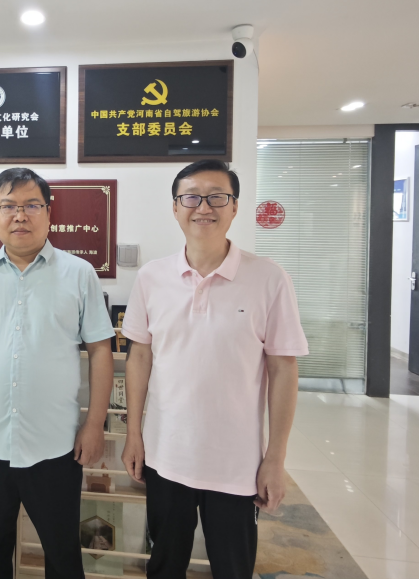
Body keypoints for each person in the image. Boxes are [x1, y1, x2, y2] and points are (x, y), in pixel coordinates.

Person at [120, 160, 308, 579]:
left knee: (233, 567)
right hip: (166, 456)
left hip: (236, 463)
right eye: (191, 197)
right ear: (175, 207)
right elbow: (139, 358)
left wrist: (275, 459)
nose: (203, 207)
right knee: (164, 564)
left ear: (235, 206)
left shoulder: (269, 278)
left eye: (217, 197)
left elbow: (283, 370)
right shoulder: (152, 277)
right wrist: (134, 434)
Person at [0, 167, 116, 579]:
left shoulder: (79, 273)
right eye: (8, 206)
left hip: (55, 444)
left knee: (61, 552)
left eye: (31, 205)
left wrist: (95, 424)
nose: (19, 215)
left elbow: (100, 350)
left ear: (49, 213)